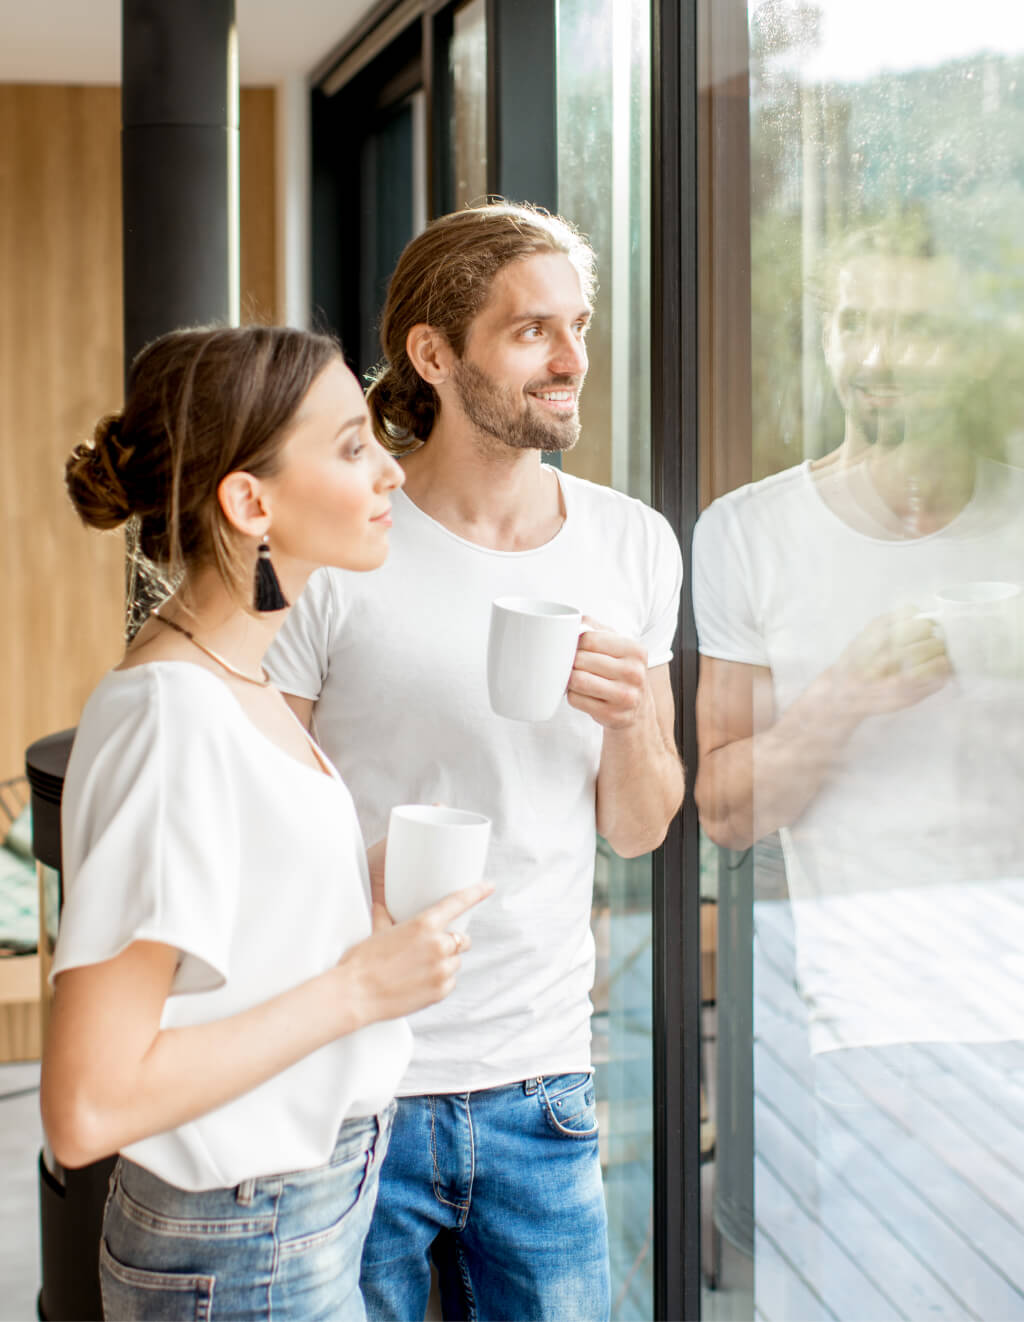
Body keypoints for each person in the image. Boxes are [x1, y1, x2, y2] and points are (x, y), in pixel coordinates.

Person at [265, 203, 685, 1322]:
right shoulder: (340, 545)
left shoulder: (632, 542)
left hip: (543, 1081)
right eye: (532, 330)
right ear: (434, 354)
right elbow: (257, 800)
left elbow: (638, 824)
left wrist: (637, 714)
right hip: (356, 1075)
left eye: (580, 326)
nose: (571, 360)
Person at [40, 325, 491, 1322]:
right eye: (347, 447)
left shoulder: (237, 672)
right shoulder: (171, 712)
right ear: (250, 502)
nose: (390, 472)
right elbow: (87, 1106)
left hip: (295, 1216)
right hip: (242, 1249)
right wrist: (357, 987)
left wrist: (348, 890)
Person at [693, 224, 1024, 1316]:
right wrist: (844, 694)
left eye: (915, 327)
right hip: (858, 1028)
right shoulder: (749, 534)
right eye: (854, 321)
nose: (875, 354)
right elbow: (729, 807)